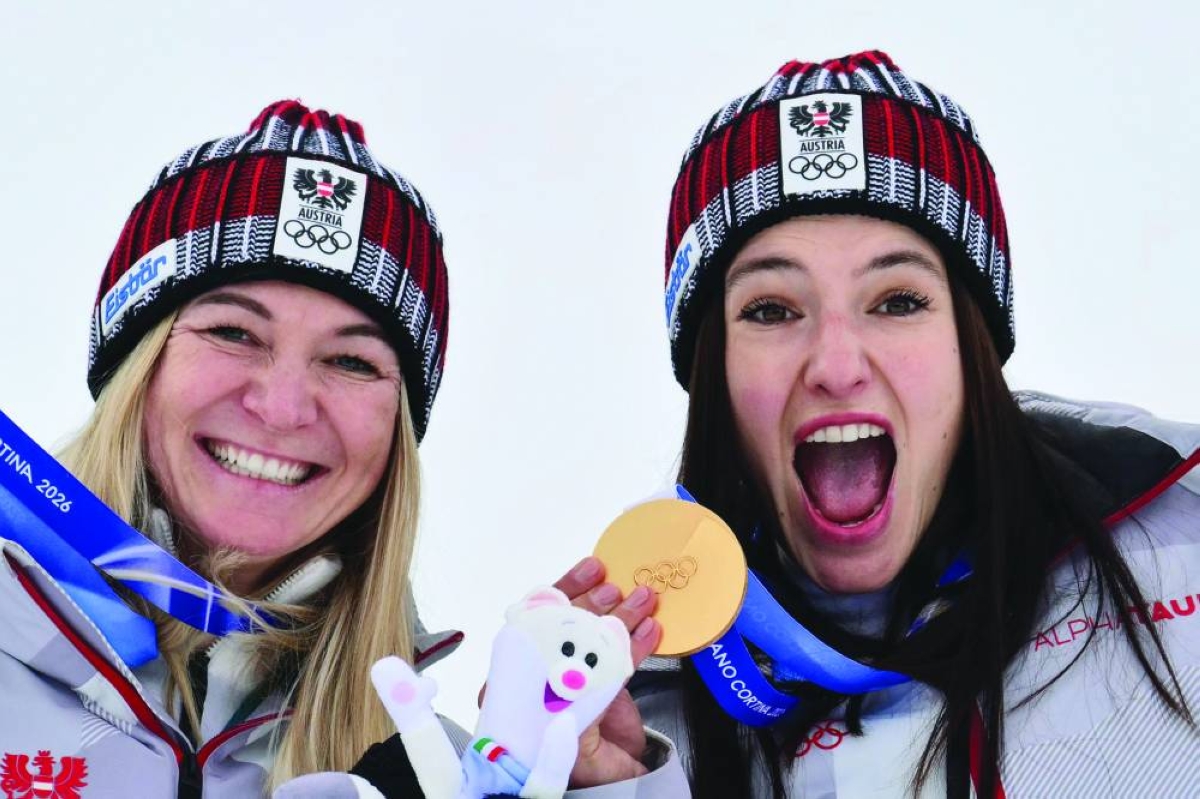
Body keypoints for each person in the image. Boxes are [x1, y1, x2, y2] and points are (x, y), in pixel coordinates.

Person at [562, 50, 1199, 797]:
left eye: (898, 301)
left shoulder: (1183, 552)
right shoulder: (634, 710)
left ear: (971, 343)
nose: (836, 365)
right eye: (771, 310)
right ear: (714, 372)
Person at [0, 99, 463, 797]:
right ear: (139, 367)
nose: (282, 408)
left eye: (352, 361)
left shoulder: (439, 772)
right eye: (234, 332)